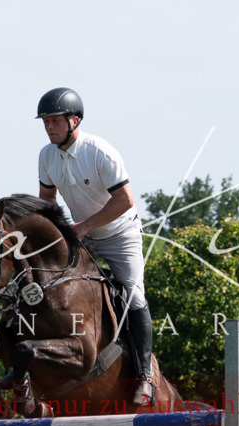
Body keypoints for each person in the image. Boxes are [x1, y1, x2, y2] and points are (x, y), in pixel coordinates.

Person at [36, 87, 154, 407]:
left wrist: (85, 226)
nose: (49, 127)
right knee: (47, 284)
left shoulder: (100, 152)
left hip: (120, 234)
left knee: (133, 294)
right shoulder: (47, 156)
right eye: (45, 122)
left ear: (74, 121)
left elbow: (125, 200)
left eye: (55, 121)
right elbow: (48, 202)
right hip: (81, 234)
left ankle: (145, 375)